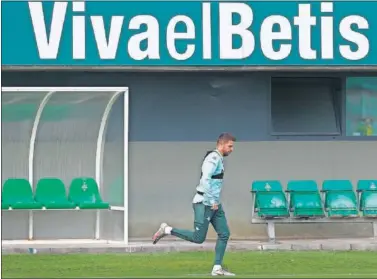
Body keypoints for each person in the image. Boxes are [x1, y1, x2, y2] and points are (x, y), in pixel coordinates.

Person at [152, 133, 236, 276]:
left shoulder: (219, 159)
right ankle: (166, 230)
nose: (232, 149)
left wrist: (215, 202)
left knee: (224, 234)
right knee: (198, 238)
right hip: (204, 203)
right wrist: (212, 201)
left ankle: (217, 268)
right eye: (230, 146)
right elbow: (205, 180)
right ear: (221, 144)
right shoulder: (213, 159)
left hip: (215, 204)